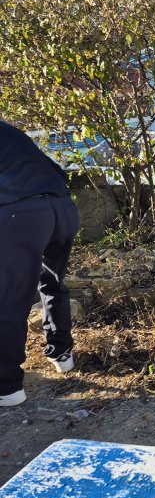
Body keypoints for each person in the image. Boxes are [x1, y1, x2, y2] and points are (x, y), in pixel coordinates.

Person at [0, 121, 80, 407]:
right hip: (62, 208)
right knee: (52, 283)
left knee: (10, 296)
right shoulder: (11, 131)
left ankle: (7, 387)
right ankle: (62, 355)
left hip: (22, 213)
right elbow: (56, 169)